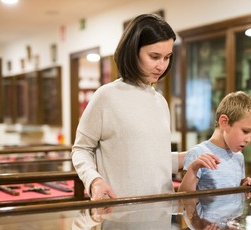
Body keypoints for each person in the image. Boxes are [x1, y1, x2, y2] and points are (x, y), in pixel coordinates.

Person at [72, 13, 185, 201]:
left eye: (167, 57)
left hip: (161, 216)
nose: (161, 65)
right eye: (154, 56)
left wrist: (189, 157)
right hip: (119, 215)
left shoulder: (160, 102)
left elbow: (152, 161)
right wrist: (94, 180)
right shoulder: (106, 96)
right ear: (133, 51)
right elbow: (81, 149)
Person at [178, 91, 251, 194]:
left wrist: (246, 186)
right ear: (224, 122)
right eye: (245, 131)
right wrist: (193, 169)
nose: (248, 140)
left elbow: (233, 197)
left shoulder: (239, 157)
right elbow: (184, 199)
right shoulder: (197, 154)